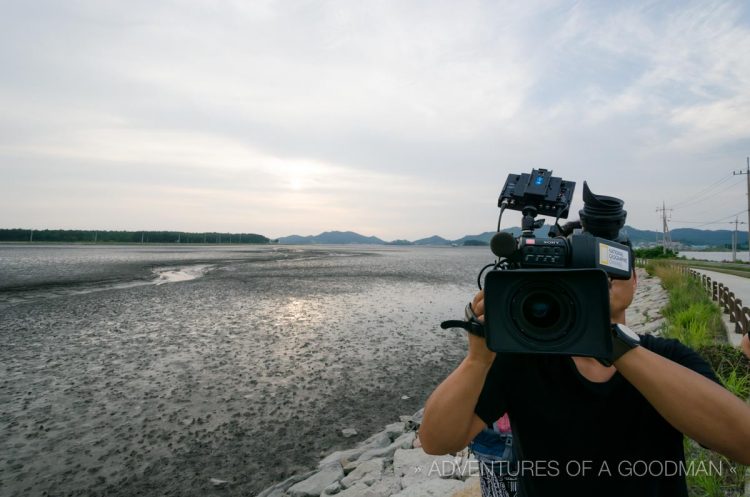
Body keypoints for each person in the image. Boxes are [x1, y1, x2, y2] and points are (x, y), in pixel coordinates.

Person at [420, 259, 750, 496]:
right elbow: (438, 441)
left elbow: (743, 443)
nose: (599, 275)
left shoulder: (669, 358)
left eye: (609, 265)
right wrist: (479, 357)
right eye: (584, 266)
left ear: (635, 281)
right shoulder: (525, 364)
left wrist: (611, 343)